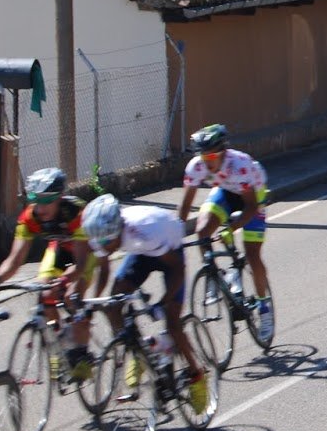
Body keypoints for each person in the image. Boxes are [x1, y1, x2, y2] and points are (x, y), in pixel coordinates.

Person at [80, 194, 209, 415]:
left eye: (107, 242)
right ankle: (138, 351)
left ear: (119, 231)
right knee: (113, 304)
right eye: (99, 243)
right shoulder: (101, 234)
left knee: (173, 323)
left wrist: (165, 301)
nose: (103, 246)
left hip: (169, 250)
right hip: (140, 252)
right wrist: (92, 302)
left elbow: (178, 268)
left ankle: (197, 375)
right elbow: (104, 271)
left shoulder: (145, 232)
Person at [0, 166, 105, 379]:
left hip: (83, 252)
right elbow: (15, 259)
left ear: (60, 198)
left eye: (47, 201)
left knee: (71, 296)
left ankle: (82, 352)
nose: (40, 207)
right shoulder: (30, 217)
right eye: (35, 200)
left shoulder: (76, 213)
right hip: (58, 249)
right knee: (44, 292)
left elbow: (82, 262)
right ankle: (58, 344)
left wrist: (65, 280)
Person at [176, 124, 274, 341]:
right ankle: (213, 274)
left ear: (223, 153)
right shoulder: (196, 166)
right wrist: (174, 233)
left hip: (252, 196)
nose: (206, 162)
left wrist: (231, 229)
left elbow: (249, 207)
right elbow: (184, 207)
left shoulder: (240, 165)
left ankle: (264, 307)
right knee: (202, 231)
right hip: (226, 191)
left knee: (252, 255)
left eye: (211, 156)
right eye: (203, 157)